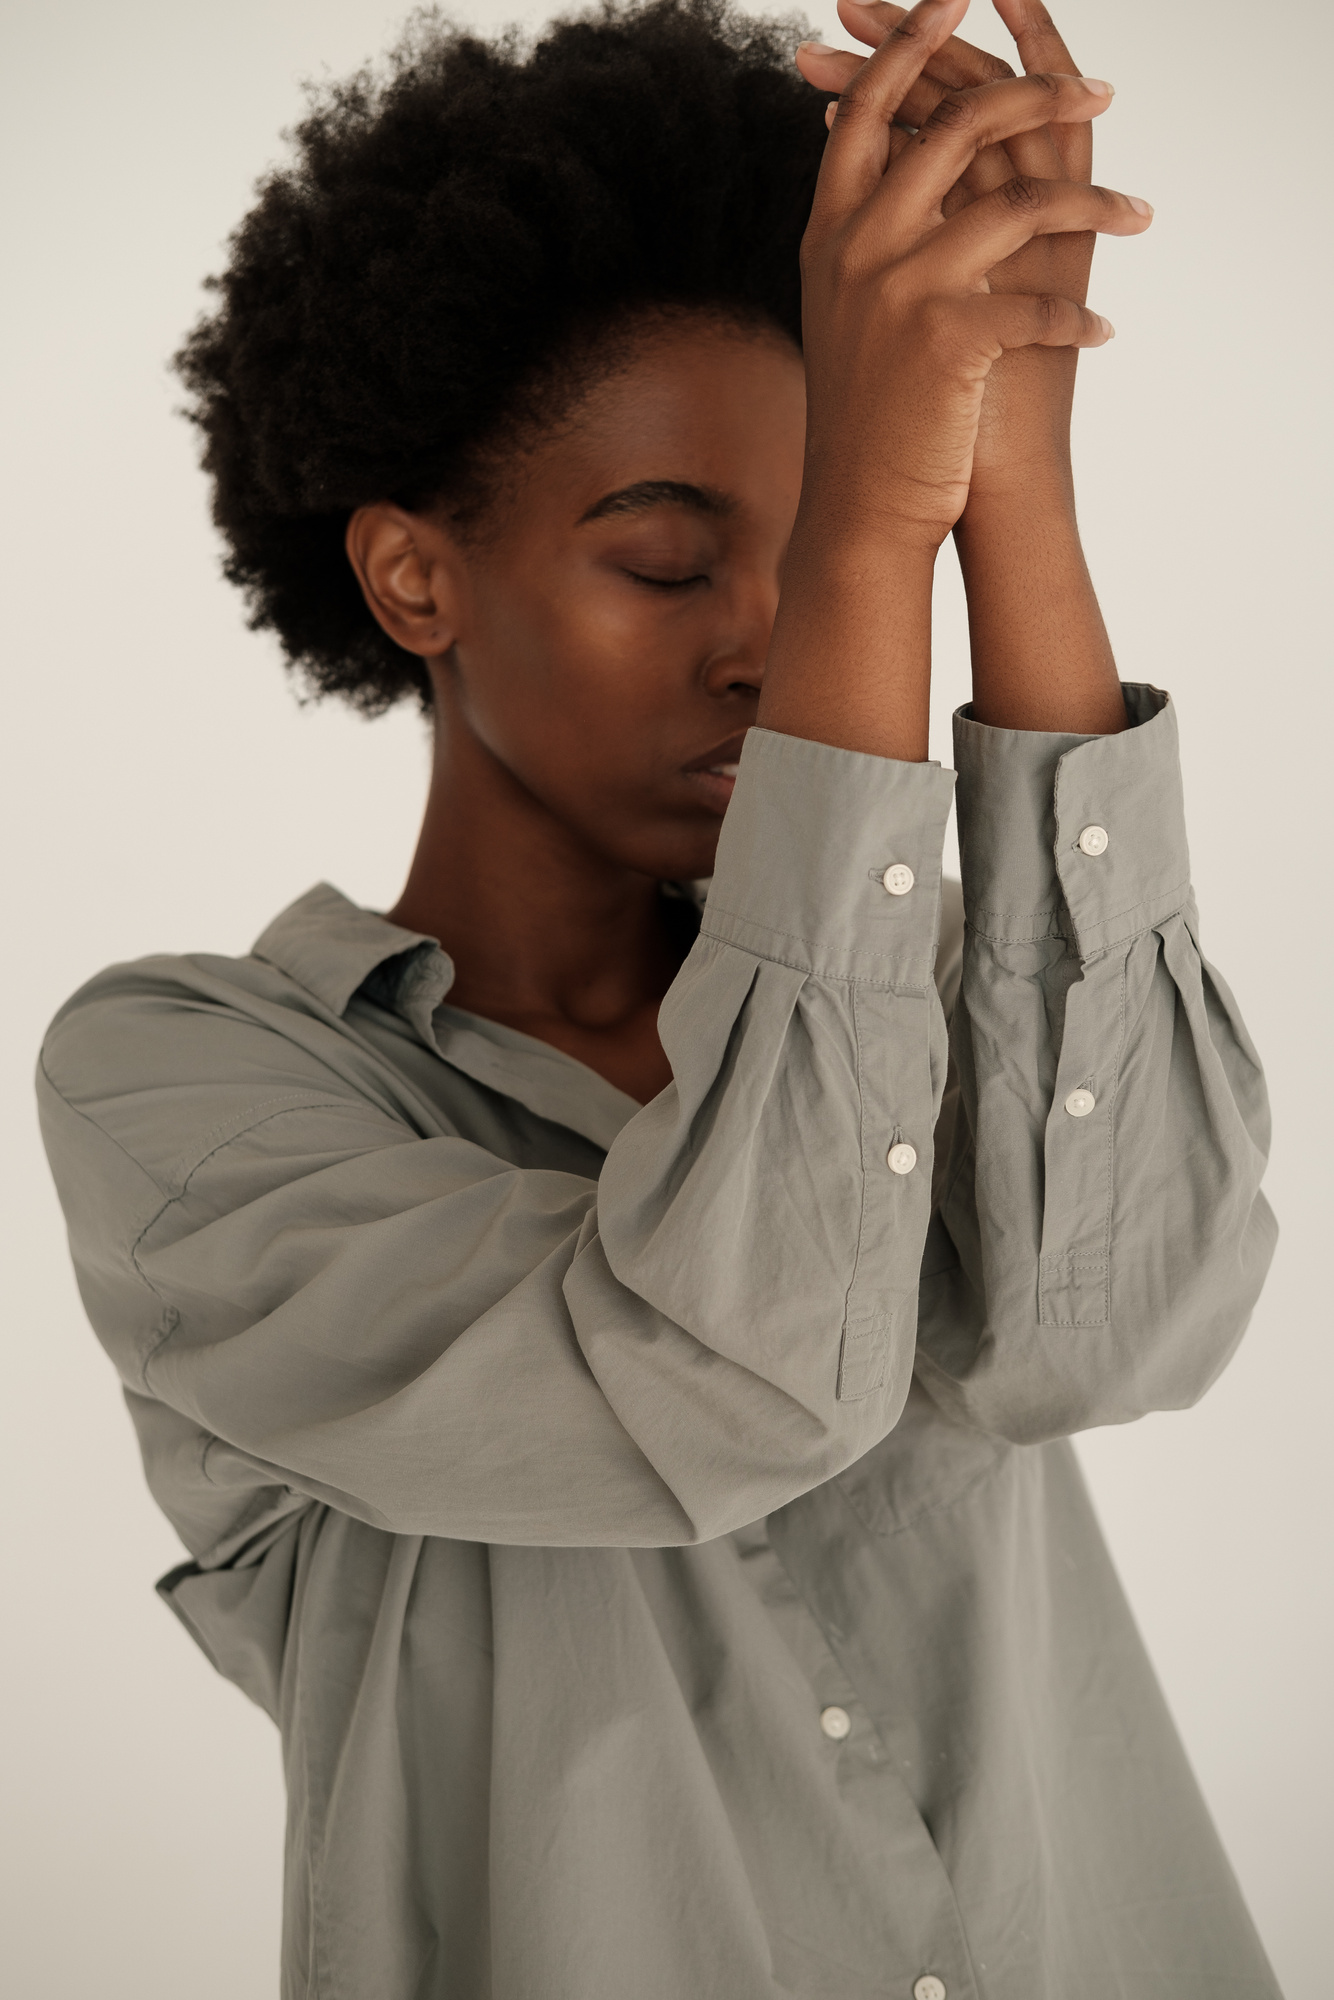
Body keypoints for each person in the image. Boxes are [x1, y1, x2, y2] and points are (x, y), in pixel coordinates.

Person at [37, 0, 1280, 1992]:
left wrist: (1010, 494)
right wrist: (876, 521)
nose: (766, 648)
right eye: (666, 563)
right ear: (417, 579)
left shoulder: (935, 980)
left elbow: (1119, 1324)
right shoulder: (188, 1085)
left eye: (814, 554)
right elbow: (728, 1377)